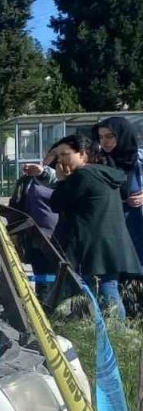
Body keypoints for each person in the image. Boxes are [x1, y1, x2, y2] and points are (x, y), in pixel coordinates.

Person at [48, 134, 140, 319]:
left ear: (82, 154)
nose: (60, 160)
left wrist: (61, 179)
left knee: (107, 296)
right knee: (106, 291)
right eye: (57, 155)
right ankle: (113, 336)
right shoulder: (102, 173)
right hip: (108, 245)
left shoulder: (83, 175)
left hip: (96, 248)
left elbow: (56, 204)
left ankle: (116, 338)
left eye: (65, 154)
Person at [95, 117, 143, 264]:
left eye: (110, 136)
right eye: (101, 137)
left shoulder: (139, 159)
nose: (104, 141)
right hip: (112, 227)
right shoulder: (98, 161)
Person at [14, 146, 60, 300]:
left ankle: (52, 305)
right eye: (49, 154)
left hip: (54, 236)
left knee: (54, 275)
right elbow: (17, 202)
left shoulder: (58, 178)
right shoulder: (26, 180)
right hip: (33, 235)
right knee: (41, 274)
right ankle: (43, 303)